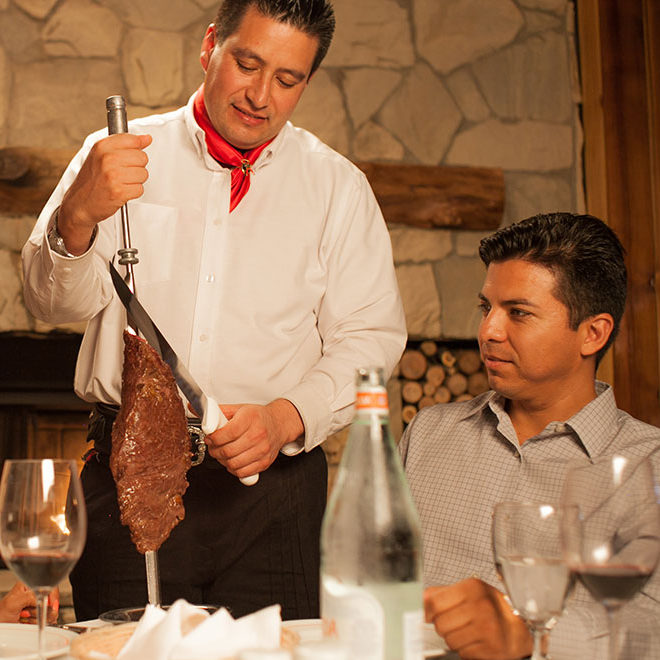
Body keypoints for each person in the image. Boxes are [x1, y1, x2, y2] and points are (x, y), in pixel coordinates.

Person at [22, 0, 406, 621]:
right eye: (246, 64)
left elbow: (371, 337)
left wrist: (288, 417)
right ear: (210, 46)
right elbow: (47, 303)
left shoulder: (338, 187)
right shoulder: (111, 153)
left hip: (274, 498)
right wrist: (77, 217)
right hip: (128, 478)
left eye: (287, 80)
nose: (260, 95)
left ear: (307, 82)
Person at [399, 212, 660, 659]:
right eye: (486, 308)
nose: (487, 331)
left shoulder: (647, 464)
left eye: (517, 313)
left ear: (593, 333)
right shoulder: (429, 432)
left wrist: (529, 635)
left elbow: (650, 625)